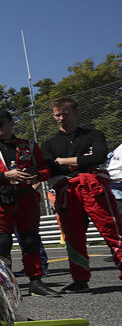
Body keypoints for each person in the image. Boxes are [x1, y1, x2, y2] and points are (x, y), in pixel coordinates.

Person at [41, 97, 122, 293]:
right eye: (58, 115)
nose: (61, 118)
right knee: (73, 237)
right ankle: (80, 279)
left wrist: (64, 161)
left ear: (76, 113)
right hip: (67, 191)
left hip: (93, 188)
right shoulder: (49, 143)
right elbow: (49, 167)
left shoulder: (94, 134)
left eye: (65, 114)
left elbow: (99, 156)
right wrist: (82, 160)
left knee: (113, 230)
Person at [0, 110, 57, 297]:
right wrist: (5, 176)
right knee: (3, 242)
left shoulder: (29, 145)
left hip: (27, 197)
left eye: (0, 123)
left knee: (31, 240)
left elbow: (45, 170)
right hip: (1, 200)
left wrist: (35, 175)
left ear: (11, 123)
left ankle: (36, 282)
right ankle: (4, 285)